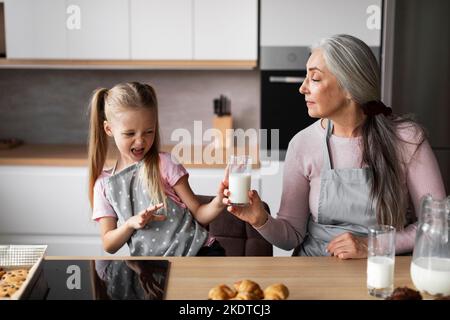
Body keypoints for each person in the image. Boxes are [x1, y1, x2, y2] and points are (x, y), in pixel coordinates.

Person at [223, 34, 446, 258]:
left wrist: (371, 246)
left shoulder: (407, 139)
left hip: (383, 270)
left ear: (350, 87)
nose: (302, 88)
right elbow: (291, 237)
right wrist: (259, 219)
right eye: (306, 77)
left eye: (315, 78)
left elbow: (438, 226)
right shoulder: (303, 143)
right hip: (316, 268)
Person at [88, 82, 227, 256]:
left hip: (200, 252)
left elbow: (199, 213)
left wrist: (219, 202)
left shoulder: (165, 163)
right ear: (109, 129)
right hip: (154, 270)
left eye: (149, 132)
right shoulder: (104, 185)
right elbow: (109, 244)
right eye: (130, 134)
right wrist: (130, 224)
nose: (140, 141)